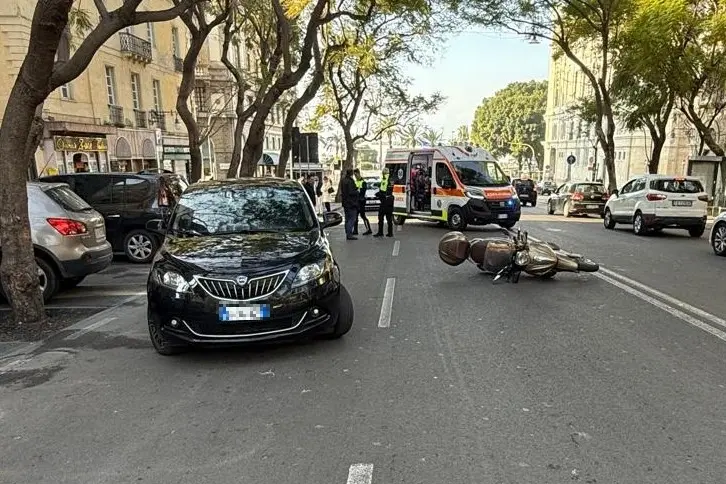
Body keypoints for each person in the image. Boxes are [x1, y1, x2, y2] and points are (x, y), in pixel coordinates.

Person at [374, 167, 394, 238]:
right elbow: (389, 190)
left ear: (383, 173)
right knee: (389, 218)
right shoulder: (391, 179)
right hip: (390, 201)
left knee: (381, 217)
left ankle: (380, 232)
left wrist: (378, 194)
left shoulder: (384, 180)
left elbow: (383, 191)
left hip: (385, 201)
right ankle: (390, 233)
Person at [353, 169, 372, 235]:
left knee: (363, 216)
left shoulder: (363, 182)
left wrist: (357, 191)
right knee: (355, 216)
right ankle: (355, 230)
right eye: (354, 175)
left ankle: (369, 229)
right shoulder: (355, 182)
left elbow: (362, 192)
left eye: (356, 174)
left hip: (361, 201)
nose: (355, 176)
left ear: (359, 173)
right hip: (356, 201)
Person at [341, 169, 359, 240]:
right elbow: (351, 192)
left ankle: (347, 232)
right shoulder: (350, 181)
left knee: (347, 218)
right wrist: (357, 191)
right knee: (352, 219)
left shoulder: (343, 180)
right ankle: (349, 234)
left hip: (345, 202)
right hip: (351, 203)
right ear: (351, 174)